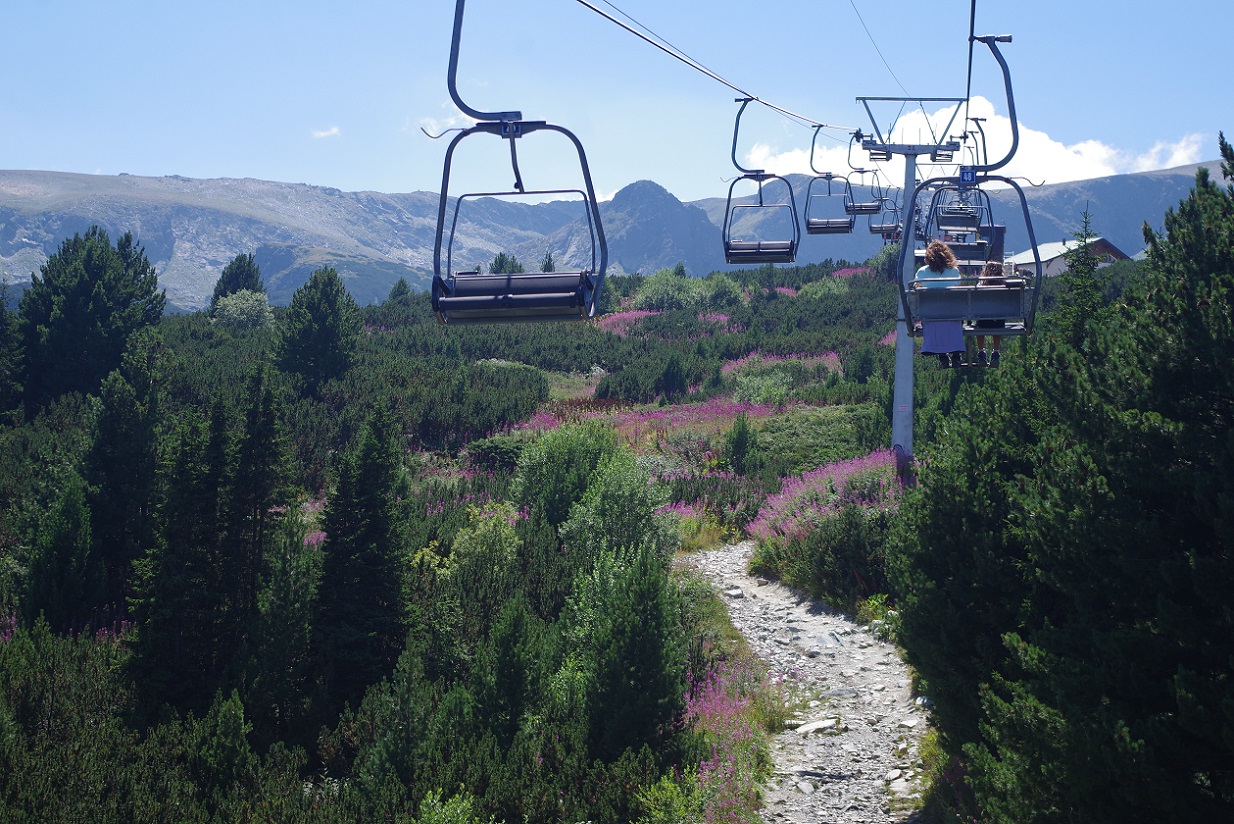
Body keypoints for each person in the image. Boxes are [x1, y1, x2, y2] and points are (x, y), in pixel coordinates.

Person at [916, 240, 965, 367]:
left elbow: (916, 289)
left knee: (935, 315)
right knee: (951, 311)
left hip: (930, 315)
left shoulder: (922, 272)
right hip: (952, 315)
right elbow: (959, 288)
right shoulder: (954, 271)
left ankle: (942, 355)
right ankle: (956, 354)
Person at [974, 260, 1005, 367]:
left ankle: (981, 351)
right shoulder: (1004, 286)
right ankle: (996, 352)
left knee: (979, 325)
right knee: (998, 322)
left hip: (983, 322)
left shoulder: (980, 285)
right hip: (998, 322)